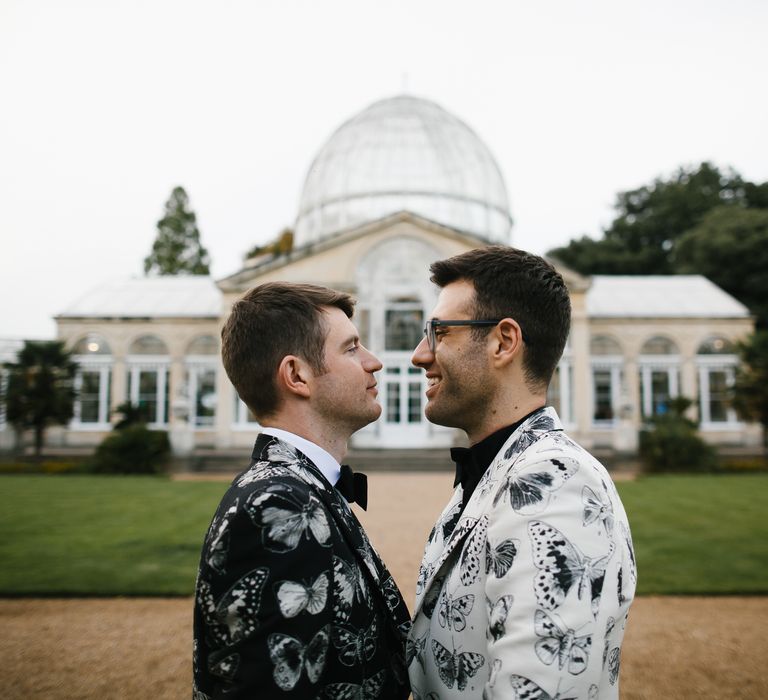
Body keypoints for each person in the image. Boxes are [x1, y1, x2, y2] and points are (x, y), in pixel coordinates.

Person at [407, 246, 636, 700]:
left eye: (439, 333)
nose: (419, 355)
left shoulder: (557, 482)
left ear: (503, 342)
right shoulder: (500, 469)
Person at [193, 282, 411, 699]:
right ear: (297, 375)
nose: (375, 362)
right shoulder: (277, 503)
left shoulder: (300, 485)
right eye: (351, 348)